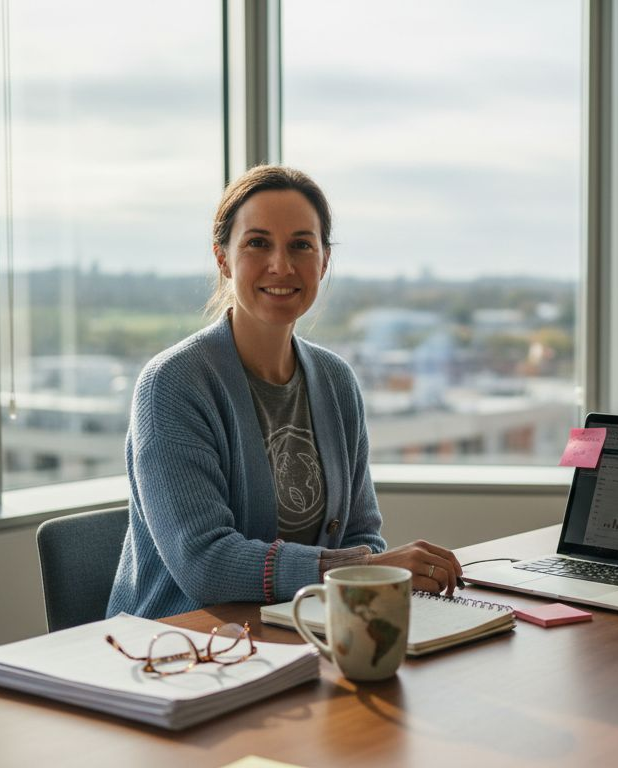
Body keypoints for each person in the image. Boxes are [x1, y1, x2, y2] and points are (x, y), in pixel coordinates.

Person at [107, 164, 464, 620]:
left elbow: (361, 534)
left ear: (324, 260)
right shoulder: (172, 384)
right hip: (182, 646)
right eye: (258, 243)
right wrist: (363, 570)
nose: (281, 265)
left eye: (301, 245)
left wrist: (367, 568)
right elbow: (206, 565)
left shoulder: (336, 381)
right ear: (222, 257)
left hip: (300, 633)